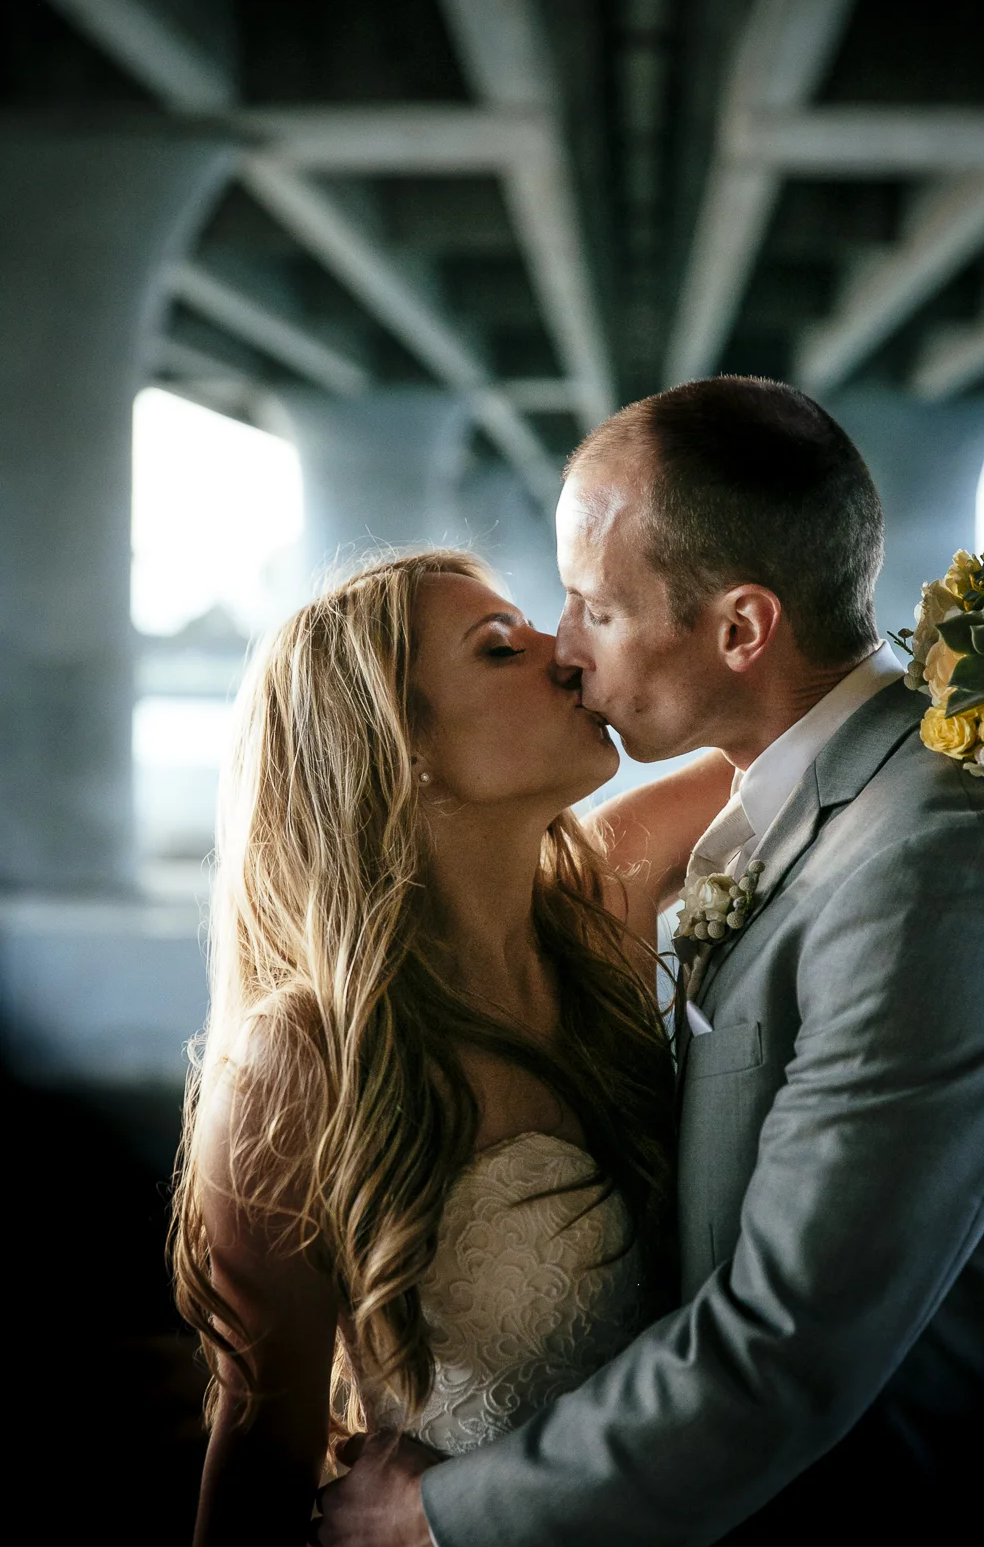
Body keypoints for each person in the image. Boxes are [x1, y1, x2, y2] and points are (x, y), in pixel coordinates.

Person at [319, 377, 984, 1545]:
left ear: (737, 629)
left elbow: (786, 1344)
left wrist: (433, 1517)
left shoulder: (932, 865)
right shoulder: (811, 806)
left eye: (591, 609)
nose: (563, 652)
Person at [171, 547, 735, 1547]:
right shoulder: (298, 1059)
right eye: (496, 647)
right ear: (398, 742)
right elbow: (261, 1445)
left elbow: (794, 730)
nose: (564, 652)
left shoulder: (602, 906)